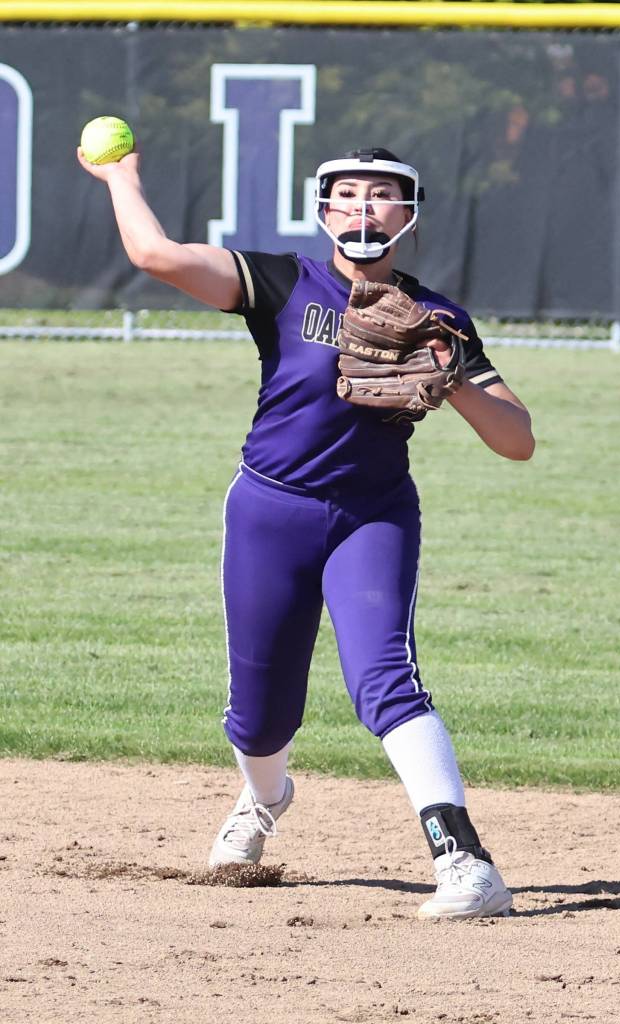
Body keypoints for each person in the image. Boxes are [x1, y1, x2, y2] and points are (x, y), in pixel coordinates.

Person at [77, 142, 535, 920]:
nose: (363, 207)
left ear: (408, 215)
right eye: (346, 193)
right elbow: (152, 254)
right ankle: (264, 799)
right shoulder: (283, 281)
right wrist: (120, 175)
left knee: (385, 682)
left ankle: (465, 862)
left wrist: (452, 372)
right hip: (268, 511)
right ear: (322, 208)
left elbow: (516, 439)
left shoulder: (439, 318)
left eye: (382, 195)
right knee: (259, 715)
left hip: (372, 516)